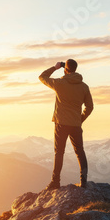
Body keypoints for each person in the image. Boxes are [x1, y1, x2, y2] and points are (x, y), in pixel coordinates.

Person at [38, 59, 94, 190]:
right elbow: (90, 107)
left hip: (61, 123)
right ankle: (84, 182)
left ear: (65, 69)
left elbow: (42, 77)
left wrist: (54, 67)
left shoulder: (59, 83)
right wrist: (80, 119)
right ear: (75, 69)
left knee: (59, 153)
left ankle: (55, 182)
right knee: (80, 152)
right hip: (75, 124)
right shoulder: (84, 86)